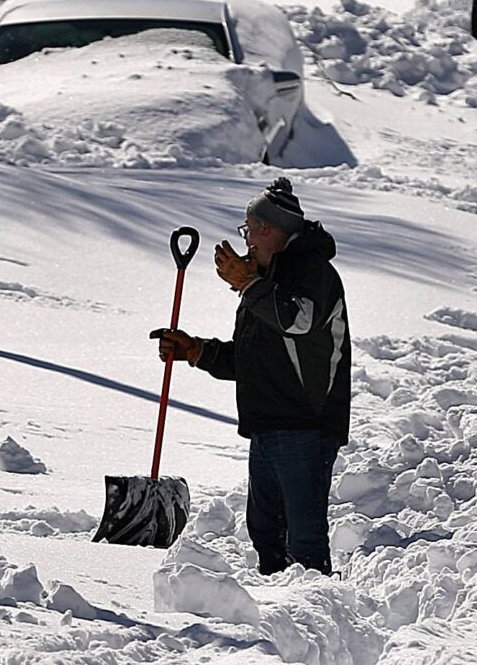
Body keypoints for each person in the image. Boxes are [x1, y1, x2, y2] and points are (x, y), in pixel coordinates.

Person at [150, 179, 351, 576]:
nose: (246, 241)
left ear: (268, 229)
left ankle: (317, 610)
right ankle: (277, 609)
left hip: (305, 424)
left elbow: (299, 321)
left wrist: (249, 284)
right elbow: (253, 359)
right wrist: (196, 350)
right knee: (265, 532)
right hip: (267, 426)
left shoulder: (313, 271)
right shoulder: (267, 280)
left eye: (248, 229)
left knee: (304, 536)